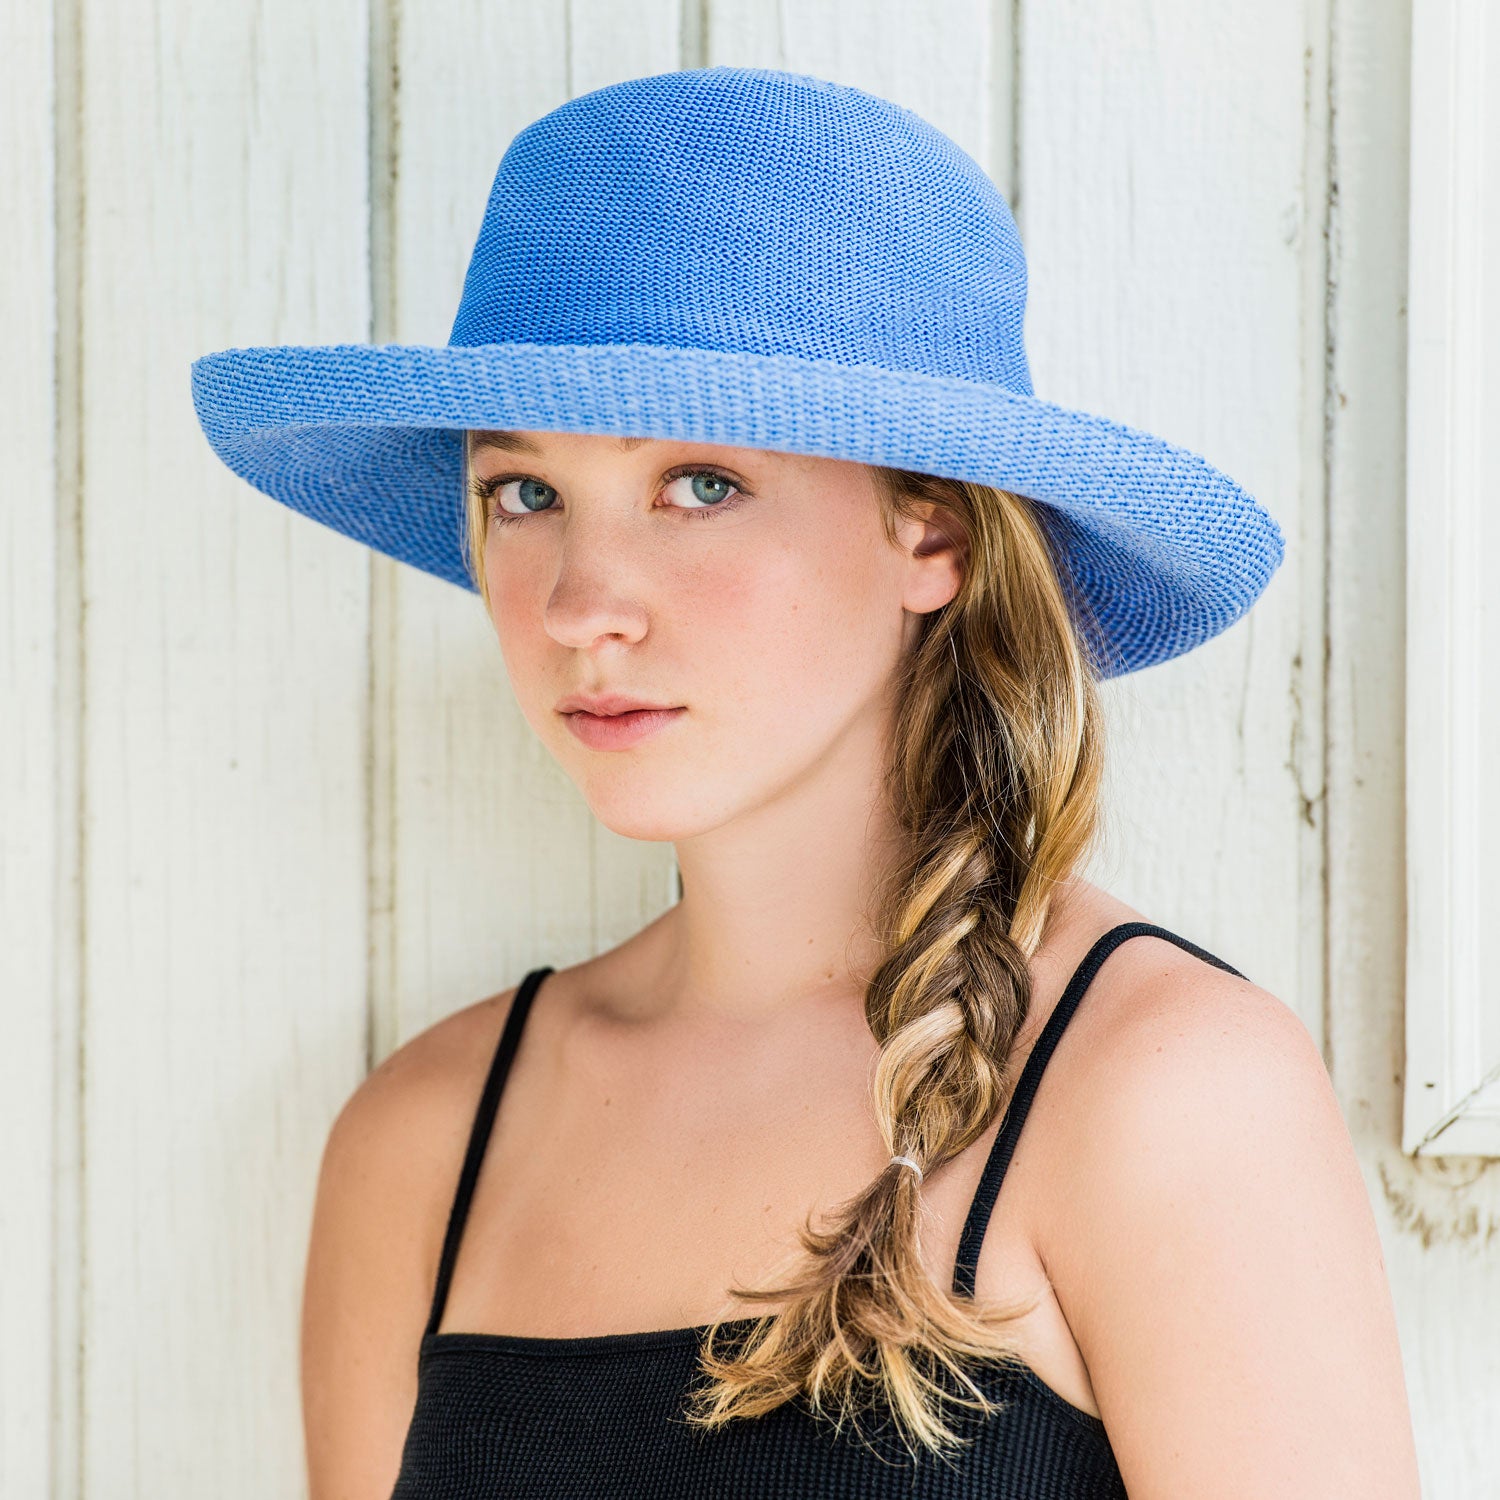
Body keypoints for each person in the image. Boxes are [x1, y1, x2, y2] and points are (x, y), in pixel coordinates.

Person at [191, 64, 1420, 1500]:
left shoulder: (1161, 1090)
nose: (584, 602)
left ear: (936, 538)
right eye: (524, 494)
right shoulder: (424, 1141)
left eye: (701, 483)